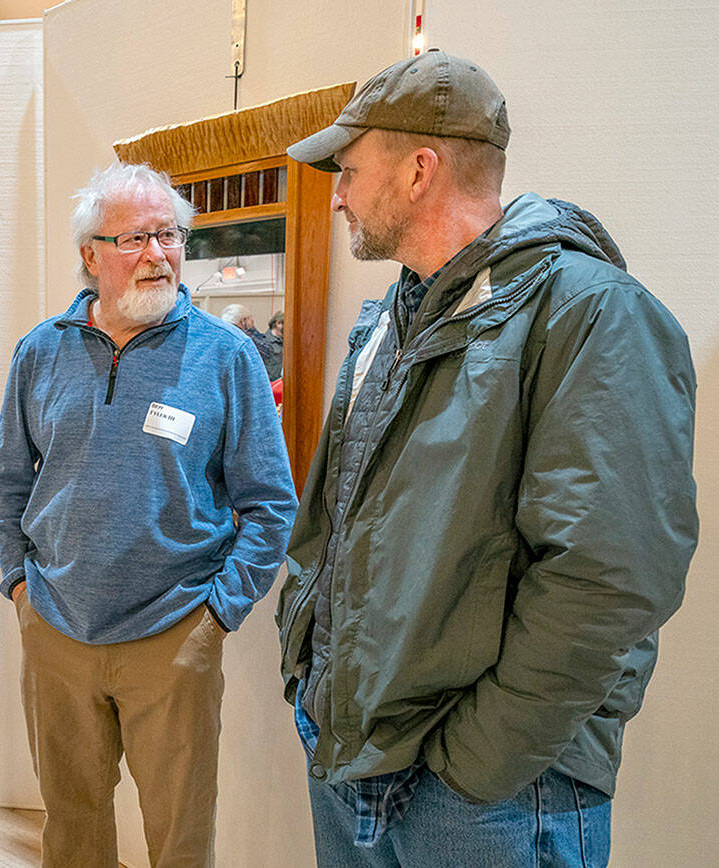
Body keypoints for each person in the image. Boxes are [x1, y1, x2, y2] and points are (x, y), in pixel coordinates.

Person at [276, 49, 697, 867]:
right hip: (349, 755)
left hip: (484, 797)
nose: (336, 194)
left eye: (350, 169)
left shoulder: (591, 316)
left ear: (419, 171)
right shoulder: (389, 321)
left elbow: (610, 575)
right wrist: (307, 675)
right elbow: (335, 517)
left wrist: (478, 763)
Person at [0, 162, 297, 867]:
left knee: (180, 841)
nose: (159, 255)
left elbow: (273, 504)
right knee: (72, 833)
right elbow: (6, 483)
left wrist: (217, 614)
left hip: (175, 636)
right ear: (90, 255)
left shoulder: (227, 357)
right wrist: (21, 588)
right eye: (136, 239)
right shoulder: (40, 352)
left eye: (170, 235)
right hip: (58, 630)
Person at [219, 302, 278, 375]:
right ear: (243, 321)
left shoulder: (221, 335)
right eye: (249, 318)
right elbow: (268, 351)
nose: (252, 320)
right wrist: (252, 329)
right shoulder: (245, 338)